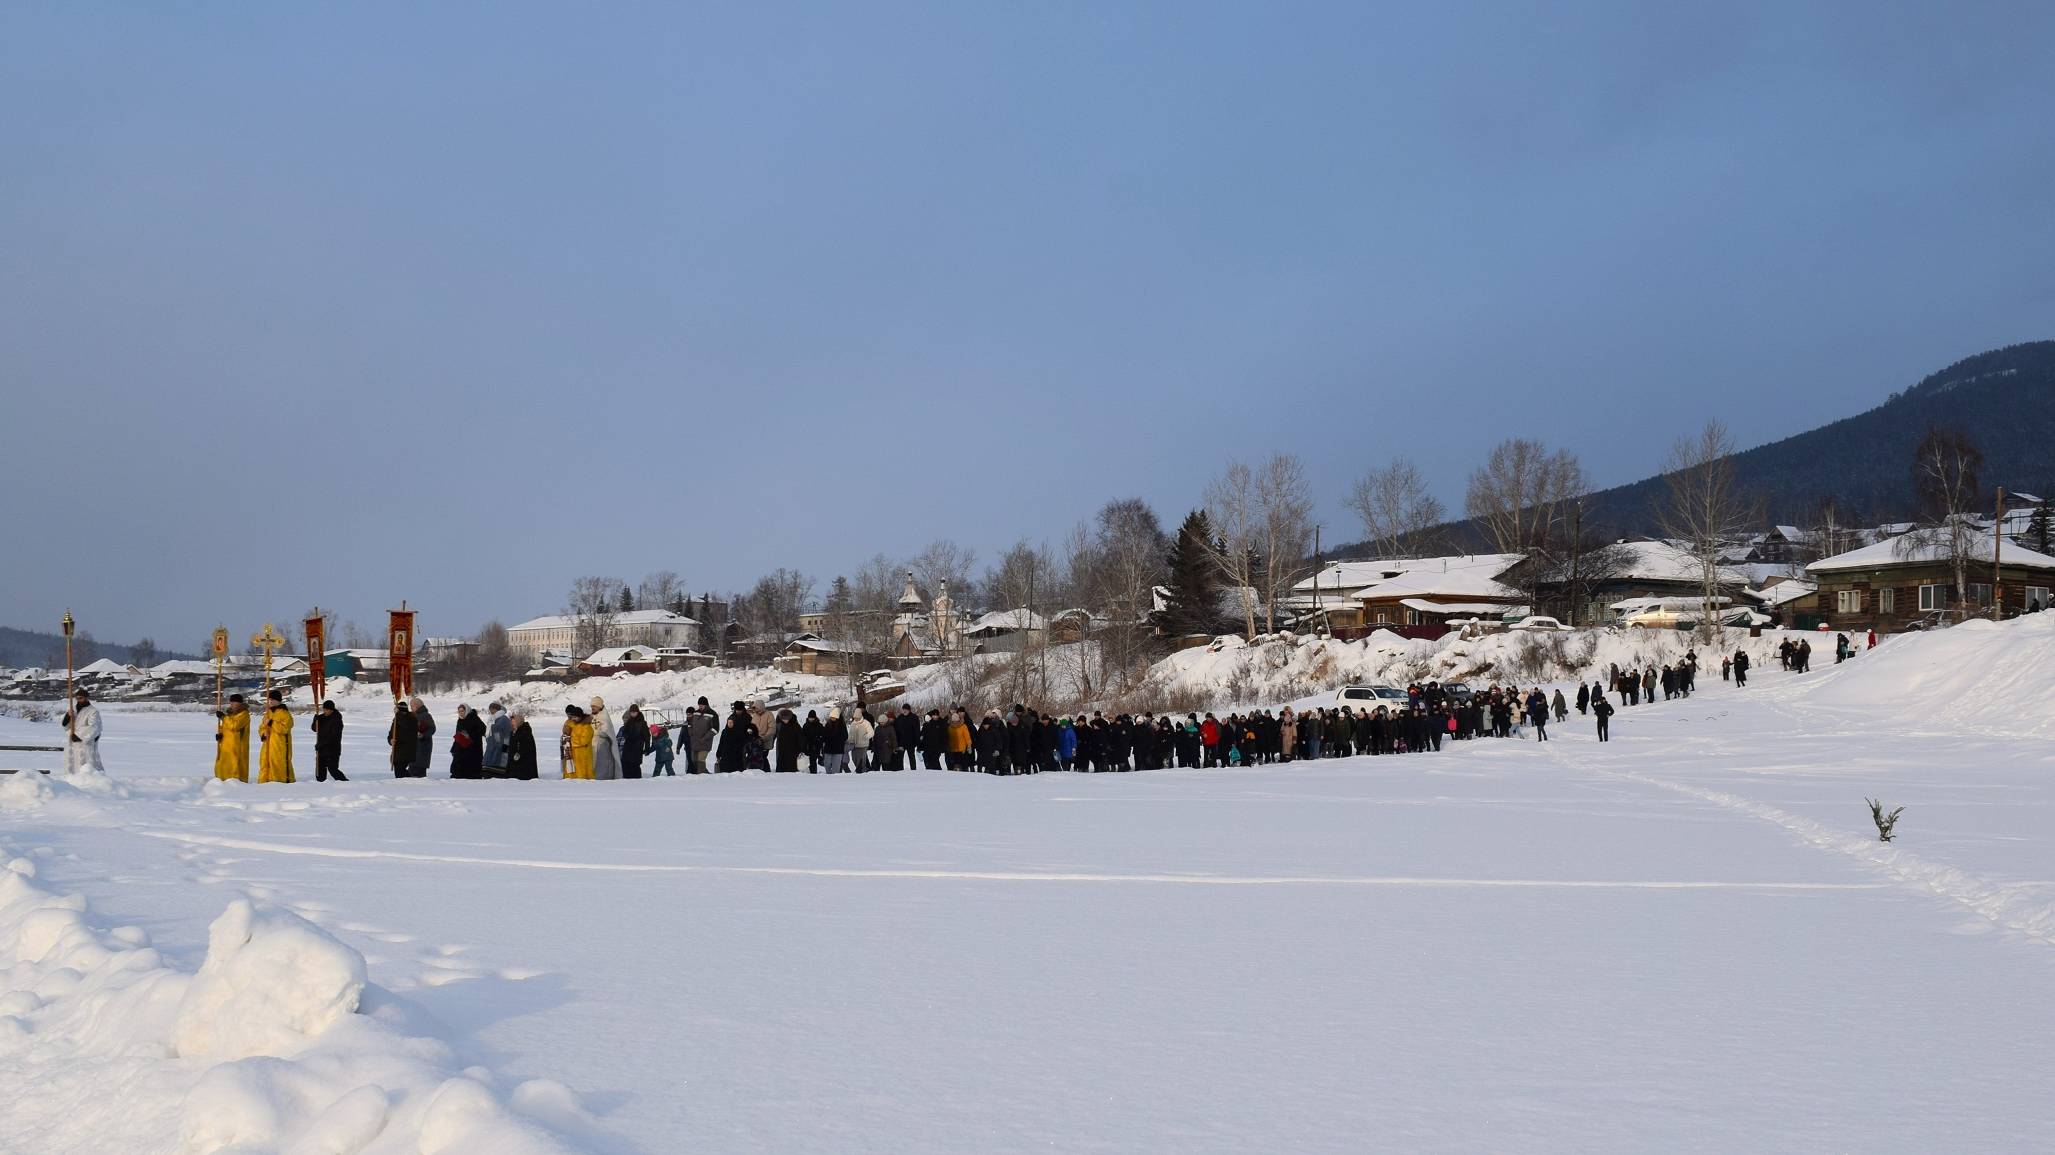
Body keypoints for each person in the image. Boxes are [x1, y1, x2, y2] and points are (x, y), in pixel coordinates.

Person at [257, 690, 295, 784]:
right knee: (265, 763)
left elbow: (285, 729)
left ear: (278, 700)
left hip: (280, 746)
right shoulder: (268, 713)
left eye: (273, 699)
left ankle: (281, 783)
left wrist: (271, 723)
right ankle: (264, 783)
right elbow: (262, 727)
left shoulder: (285, 714)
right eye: (269, 699)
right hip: (267, 745)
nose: (270, 701)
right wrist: (263, 734)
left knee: (278, 764)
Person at [62, 689, 104, 775]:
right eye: (77, 698)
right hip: (72, 744)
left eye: (80, 698)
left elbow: (94, 727)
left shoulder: (93, 711)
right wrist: (68, 717)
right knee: (72, 765)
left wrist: (78, 735)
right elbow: (66, 726)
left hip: (86, 744)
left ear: (86, 698)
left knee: (87, 765)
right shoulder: (72, 709)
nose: (78, 700)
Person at [214, 694, 251, 782]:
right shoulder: (230, 715)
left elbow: (234, 726)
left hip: (238, 748)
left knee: (235, 769)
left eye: (234, 702)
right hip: (227, 747)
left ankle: (237, 786)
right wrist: (220, 735)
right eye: (231, 702)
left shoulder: (244, 714)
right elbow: (226, 728)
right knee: (224, 768)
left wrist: (223, 717)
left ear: (239, 703)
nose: (231, 704)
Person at [311, 699, 347, 782]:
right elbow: (314, 729)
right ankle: (321, 786)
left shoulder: (337, 720)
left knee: (333, 769)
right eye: (324, 709)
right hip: (321, 749)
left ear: (332, 709)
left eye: (327, 710)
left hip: (332, 749)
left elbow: (333, 737)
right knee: (319, 772)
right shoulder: (322, 717)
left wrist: (321, 744)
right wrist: (315, 720)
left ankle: (344, 783)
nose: (325, 711)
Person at [449, 704, 486, 779]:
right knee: (458, 768)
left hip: (473, 748)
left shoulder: (474, 718)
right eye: (459, 711)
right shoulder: (460, 720)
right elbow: (457, 734)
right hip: (461, 747)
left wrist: (470, 735)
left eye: (462, 711)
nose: (460, 713)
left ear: (466, 711)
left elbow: (483, 730)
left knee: (471, 769)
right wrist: (454, 748)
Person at [589, 697, 618, 780]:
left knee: (602, 764)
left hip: (603, 745)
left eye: (594, 706)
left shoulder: (604, 718)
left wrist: (597, 732)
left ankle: (604, 779)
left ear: (599, 707)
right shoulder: (591, 717)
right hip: (592, 745)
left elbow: (607, 731)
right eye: (591, 706)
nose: (592, 708)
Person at [562, 705, 595, 779]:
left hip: (583, 755)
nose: (573, 719)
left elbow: (583, 741)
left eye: (575, 717)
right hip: (573, 754)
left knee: (582, 774)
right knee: (573, 771)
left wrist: (570, 740)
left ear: (580, 716)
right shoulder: (575, 724)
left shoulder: (587, 727)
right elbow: (567, 729)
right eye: (572, 717)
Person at [388, 701, 419, 777]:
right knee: (399, 772)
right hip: (397, 751)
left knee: (400, 772)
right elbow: (391, 734)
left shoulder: (412, 719)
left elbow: (406, 725)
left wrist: (398, 714)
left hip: (406, 750)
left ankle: (411, 783)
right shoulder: (396, 719)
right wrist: (391, 740)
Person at [618, 704, 649, 779]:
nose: (633, 714)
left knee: (635, 766)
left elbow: (647, 736)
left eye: (634, 712)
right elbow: (625, 732)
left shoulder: (643, 723)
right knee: (625, 764)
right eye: (632, 712)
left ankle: (637, 783)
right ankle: (626, 782)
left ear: (638, 712)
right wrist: (627, 736)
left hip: (637, 748)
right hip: (628, 747)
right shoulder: (629, 722)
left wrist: (647, 748)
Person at [686, 699, 716, 774]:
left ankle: (704, 780)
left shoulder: (713, 714)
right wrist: (690, 732)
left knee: (700, 762)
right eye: (699, 705)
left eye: (701, 705)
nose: (700, 707)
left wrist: (705, 737)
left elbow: (715, 729)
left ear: (706, 705)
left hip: (705, 742)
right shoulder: (696, 713)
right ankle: (704, 777)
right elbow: (690, 723)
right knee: (695, 762)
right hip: (695, 742)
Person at [507, 711, 539, 780]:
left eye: (513, 722)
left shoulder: (525, 732)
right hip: (514, 765)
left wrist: (517, 755)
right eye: (511, 721)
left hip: (524, 768)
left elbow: (526, 748)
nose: (511, 723)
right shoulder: (513, 732)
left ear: (518, 721)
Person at [484, 702, 512, 776]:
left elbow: (500, 735)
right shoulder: (493, 720)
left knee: (497, 766)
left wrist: (498, 743)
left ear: (497, 709)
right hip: (492, 746)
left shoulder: (503, 719)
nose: (491, 711)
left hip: (500, 747)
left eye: (493, 709)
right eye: (490, 709)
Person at [410, 697, 435, 777]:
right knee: (412, 771)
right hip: (414, 749)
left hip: (422, 748)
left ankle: (422, 789)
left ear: (416, 706)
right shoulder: (414, 715)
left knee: (419, 773)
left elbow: (432, 729)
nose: (410, 708)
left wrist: (423, 735)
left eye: (411, 706)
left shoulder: (426, 715)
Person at [847, 709, 874, 773]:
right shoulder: (853, 723)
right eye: (855, 718)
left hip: (863, 745)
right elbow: (850, 733)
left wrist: (866, 737)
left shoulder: (866, 723)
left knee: (861, 760)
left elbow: (871, 732)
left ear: (860, 716)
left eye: (857, 718)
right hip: (854, 745)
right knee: (854, 759)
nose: (856, 719)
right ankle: (859, 769)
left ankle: (862, 770)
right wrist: (849, 740)